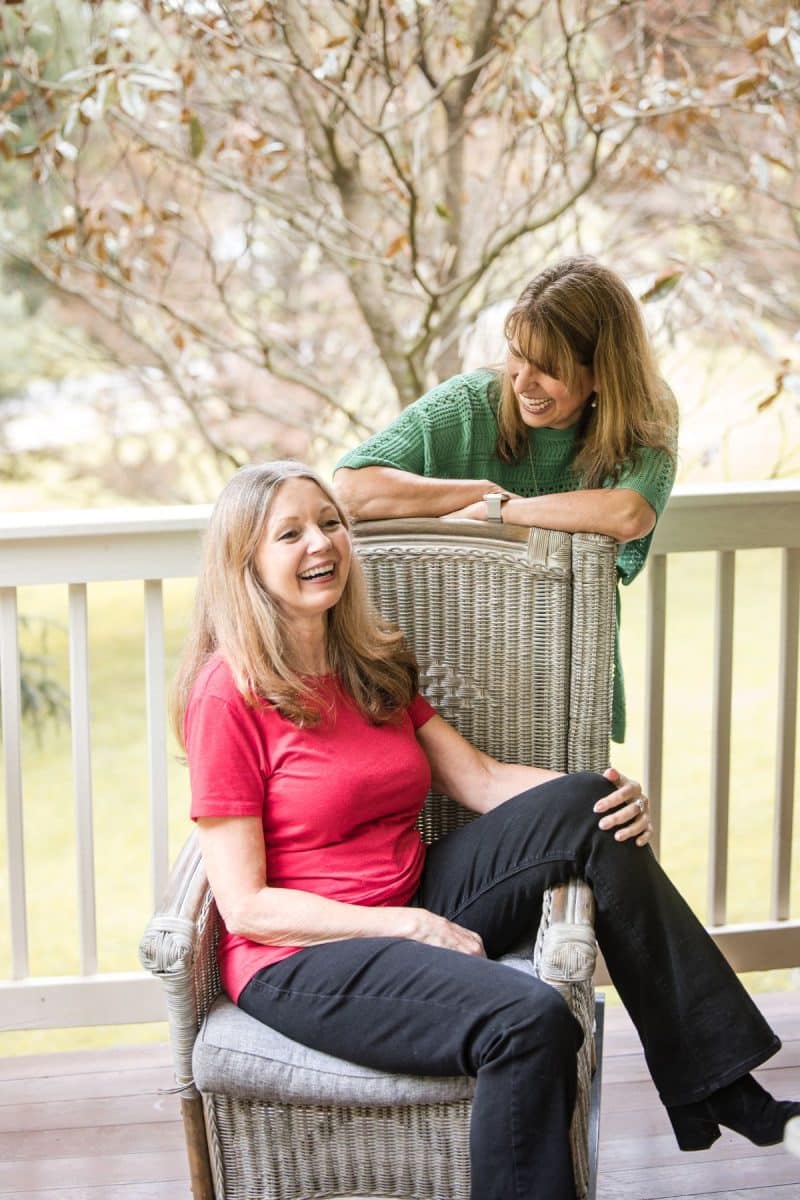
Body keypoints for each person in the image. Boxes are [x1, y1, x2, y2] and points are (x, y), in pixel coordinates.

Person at [173, 460, 798, 1200]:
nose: (323, 544)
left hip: (414, 888)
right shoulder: (228, 694)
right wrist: (407, 928)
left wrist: (609, 791)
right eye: (291, 533)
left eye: (331, 522)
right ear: (246, 564)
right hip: (302, 957)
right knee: (529, 1018)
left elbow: (479, 779)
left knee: (588, 809)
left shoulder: (370, 659)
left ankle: (717, 1084)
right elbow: (244, 906)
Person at [334, 256, 679, 742]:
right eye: (517, 354)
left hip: (568, 682)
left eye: (548, 369)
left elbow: (628, 512)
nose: (521, 382)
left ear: (602, 372)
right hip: (445, 673)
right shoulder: (470, 403)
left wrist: (502, 512)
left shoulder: (643, 414)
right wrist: (478, 492)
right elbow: (350, 489)